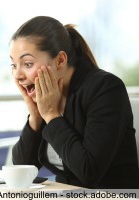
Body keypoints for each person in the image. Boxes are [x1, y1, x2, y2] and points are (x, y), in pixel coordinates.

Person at [10, 16, 139, 189]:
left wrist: (51, 115)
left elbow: (88, 172)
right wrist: (35, 117)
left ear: (60, 61)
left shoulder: (106, 88)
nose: (18, 75)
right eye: (13, 65)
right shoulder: (48, 97)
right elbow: (22, 168)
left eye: (27, 64)